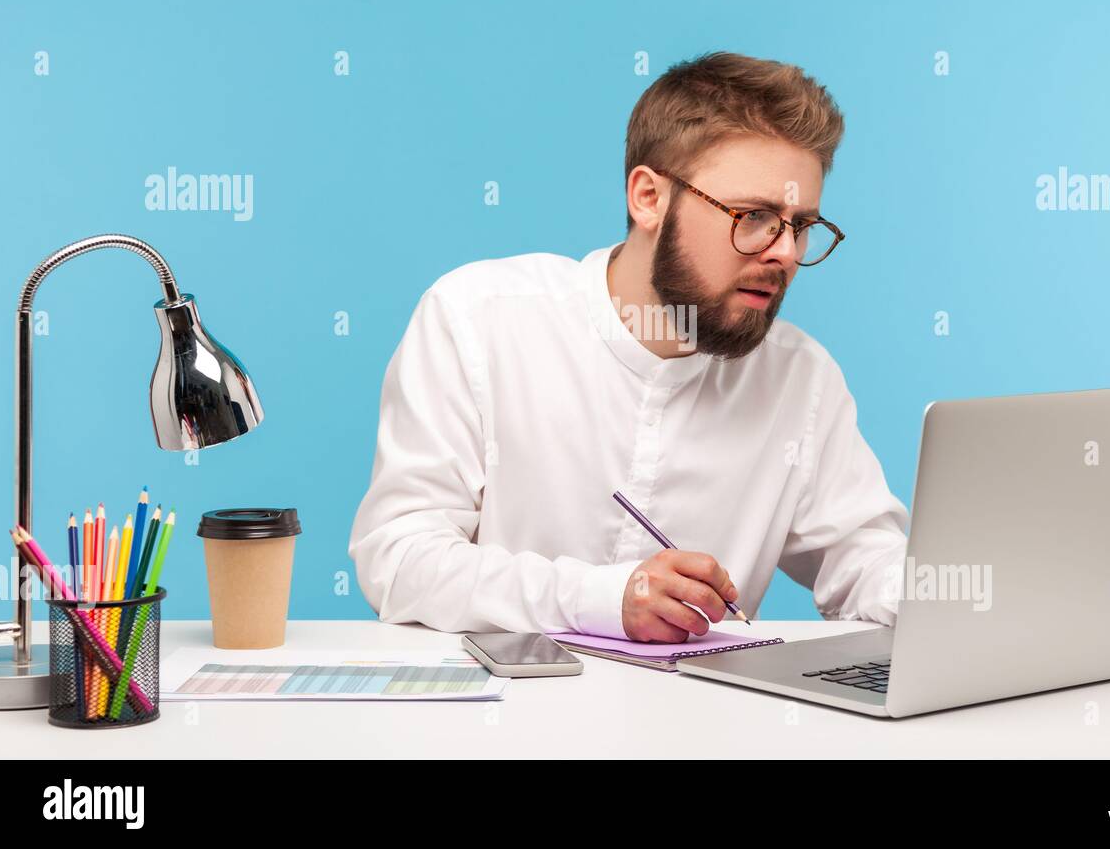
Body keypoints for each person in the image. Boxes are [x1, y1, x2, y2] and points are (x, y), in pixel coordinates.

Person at [349, 51, 909, 643]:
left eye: (801, 225)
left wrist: (964, 595)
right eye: (754, 216)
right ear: (648, 198)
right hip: (507, 722)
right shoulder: (478, 319)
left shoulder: (802, 378)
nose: (786, 253)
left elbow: (865, 559)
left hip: (711, 725)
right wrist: (603, 598)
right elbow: (400, 559)